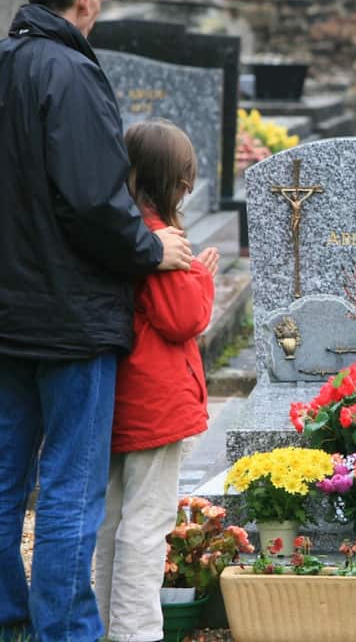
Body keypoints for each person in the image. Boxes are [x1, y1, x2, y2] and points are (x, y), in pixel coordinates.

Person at [0, 0, 192, 642]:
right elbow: (93, 202)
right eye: (100, 0)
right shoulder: (74, 76)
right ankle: (64, 631)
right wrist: (151, 248)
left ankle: (1, 626)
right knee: (69, 484)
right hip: (72, 319)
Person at [94, 119, 218, 641]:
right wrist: (202, 277)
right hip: (157, 406)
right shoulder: (159, 239)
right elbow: (183, 318)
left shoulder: (118, 230)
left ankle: (99, 626)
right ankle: (138, 633)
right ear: (174, 183)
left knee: (109, 525)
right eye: (186, 182)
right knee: (148, 527)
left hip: (122, 400)